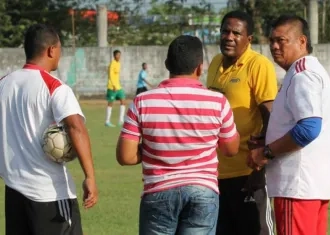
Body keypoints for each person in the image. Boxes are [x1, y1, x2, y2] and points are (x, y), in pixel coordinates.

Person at [116, 35, 240, 235]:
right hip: (203, 192)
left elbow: (126, 156)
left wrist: (154, 147)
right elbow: (231, 149)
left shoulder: (142, 102)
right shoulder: (218, 102)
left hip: (158, 191)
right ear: (200, 68)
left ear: (167, 64)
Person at [0, 24, 98, 235]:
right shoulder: (54, 86)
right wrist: (89, 176)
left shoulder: (3, 84)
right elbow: (76, 127)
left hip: (14, 192)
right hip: (49, 193)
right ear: (51, 50)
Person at [248, 14, 330, 235]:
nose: (275, 46)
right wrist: (267, 137)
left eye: (282, 40)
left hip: (296, 186)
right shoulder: (310, 71)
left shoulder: (302, 75)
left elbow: (308, 128)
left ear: (302, 41)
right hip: (312, 185)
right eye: (272, 41)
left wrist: (266, 152)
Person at [206, 10, 277, 235]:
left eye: (236, 33)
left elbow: (271, 116)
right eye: (225, 31)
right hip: (215, 173)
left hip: (248, 173)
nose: (229, 37)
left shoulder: (258, 65)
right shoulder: (215, 63)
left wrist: (260, 165)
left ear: (249, 39)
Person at [105, 49, 126, 127]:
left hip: (118, 87)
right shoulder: (112, 64)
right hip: (112, 87)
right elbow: (110, 75)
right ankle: (107, 121)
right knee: (110, 103)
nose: (119, 56)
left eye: (120, 55)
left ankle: (121, 120)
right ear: (114, 56)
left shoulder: (119, 63)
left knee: (123, 101)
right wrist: (113, 85)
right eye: (117, 55)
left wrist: (117, 85)